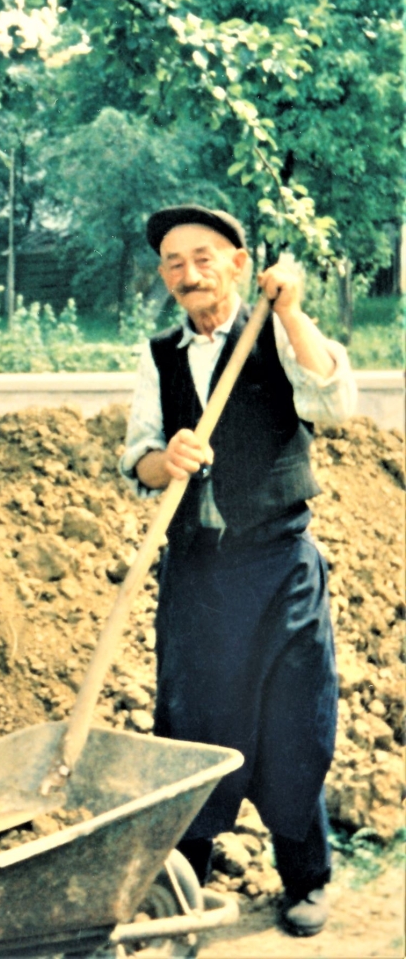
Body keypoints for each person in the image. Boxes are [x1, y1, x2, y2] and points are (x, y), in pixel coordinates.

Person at [120, 205, 356, 938]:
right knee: (194, 729)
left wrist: (294, 314)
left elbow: (335, 402)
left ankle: (307, 879)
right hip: (199, 578)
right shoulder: (159, 355)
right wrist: (169, 461)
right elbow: (138, 461)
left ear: (238, 261)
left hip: (283, 566)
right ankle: (181, 897)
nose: (188, 274)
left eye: (203, 257)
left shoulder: (279, 333)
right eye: (172, 263)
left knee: (293, 722)